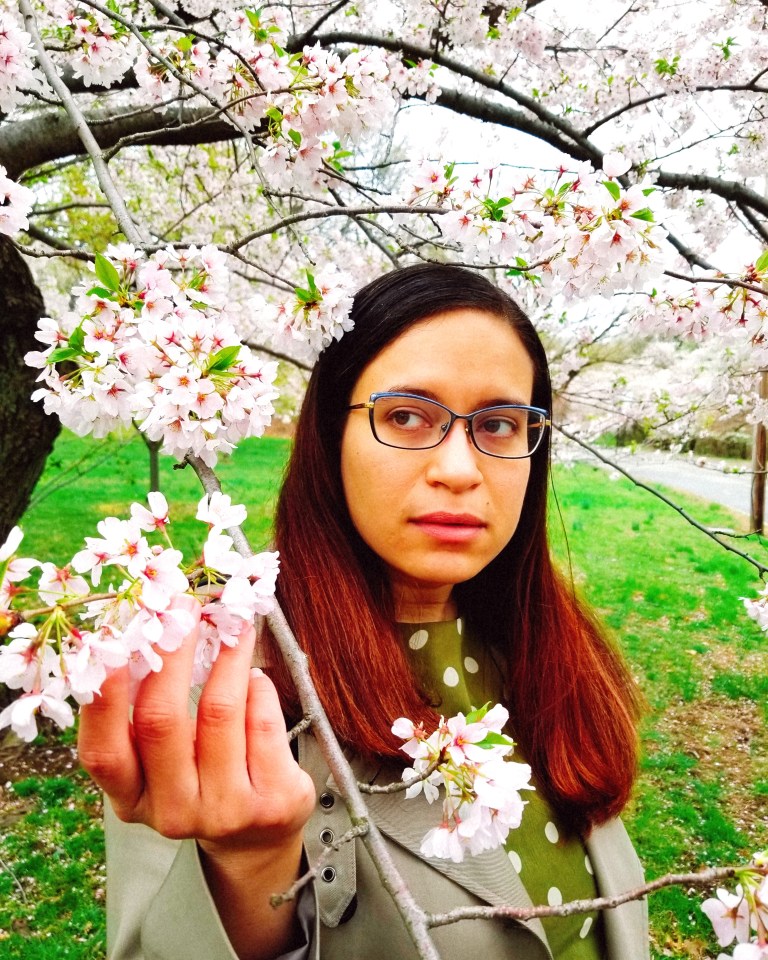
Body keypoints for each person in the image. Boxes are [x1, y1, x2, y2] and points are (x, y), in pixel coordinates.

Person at [78, 263, 648, 960]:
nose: (461, 469)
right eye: (407, 416)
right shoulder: (215, 681)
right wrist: (246, 870)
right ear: (328, 435)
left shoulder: (553, 659)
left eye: (499, 424)